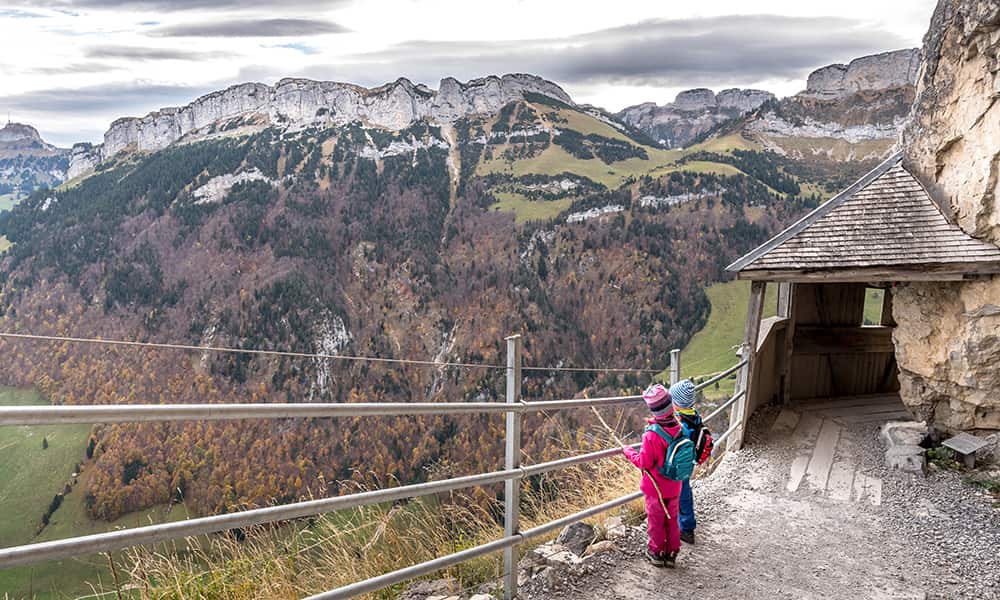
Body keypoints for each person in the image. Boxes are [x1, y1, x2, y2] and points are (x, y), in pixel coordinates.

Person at [622, 383, 684, 567]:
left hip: (656, 488)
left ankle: (656, 553)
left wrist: (628, 452)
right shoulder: (679, 427)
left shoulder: (651, 435)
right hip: (675, 485)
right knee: (672, 519)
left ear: (653, 410)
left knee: (656, 521)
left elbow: (644, 462)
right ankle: (671, 553)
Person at [670, 379, 712, 544]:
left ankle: (686, 529)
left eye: (672, 400)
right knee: (684, 492)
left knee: (682, 494)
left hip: (681, 464)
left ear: (677, 404)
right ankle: (685, 524)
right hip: (690, 461)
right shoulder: (693, 415)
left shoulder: (682, 424)